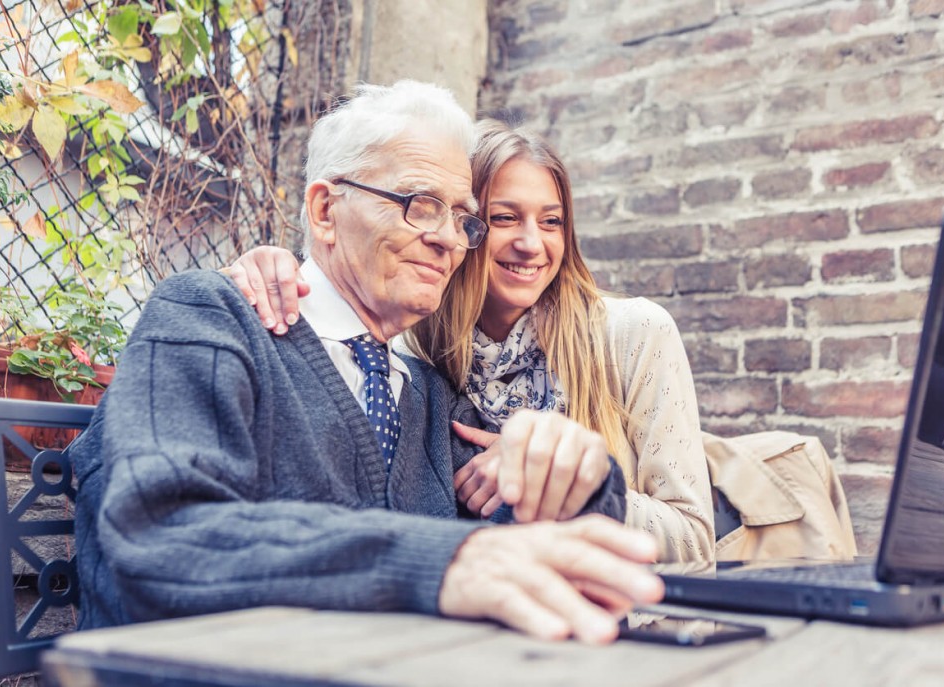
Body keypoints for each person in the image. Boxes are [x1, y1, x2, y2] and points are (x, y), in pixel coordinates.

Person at [69, 81, 664, 645]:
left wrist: (579, 479)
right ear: (326, 211)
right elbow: (160, 538)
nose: (450, 241)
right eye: (420, 205)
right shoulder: (208, 319)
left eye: (462, 218)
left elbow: (521, 529)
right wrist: (440, 560)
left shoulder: (426, 395)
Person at [228, 119, 715, 561]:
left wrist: (552, 476)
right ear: (466, 227)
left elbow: (694, 539)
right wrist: (283, 272)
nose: (532, 243)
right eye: (505, 218)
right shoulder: (411, 350)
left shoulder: (630, 333)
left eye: (552, 222)